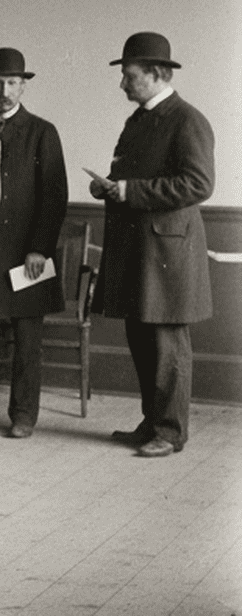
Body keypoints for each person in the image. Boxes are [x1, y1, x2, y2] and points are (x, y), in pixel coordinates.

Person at [90, 32, 214, 458]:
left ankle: (171, 431)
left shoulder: (187, 120)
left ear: (158, 75)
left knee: (166, 344)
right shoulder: (139, 120)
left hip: (167, 254)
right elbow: (133, 177)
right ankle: (152, 422)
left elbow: (199, 184)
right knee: (142, 338)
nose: (123, 84)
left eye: (129, 76)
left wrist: (129, 192)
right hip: (140, 250)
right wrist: (110, 189)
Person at [0, 48, 67, 439]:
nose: (5, 90)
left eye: (13, 83)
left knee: (27, 341)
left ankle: (23, 415)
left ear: (23, 86)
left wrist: (40, 248)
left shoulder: (43, 132)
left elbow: (54, 196)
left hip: (28, 254)